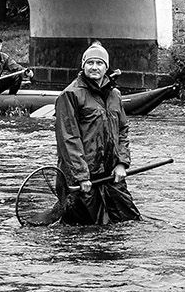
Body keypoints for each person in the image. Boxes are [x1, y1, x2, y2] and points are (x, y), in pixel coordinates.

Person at [53, 42, 139, 226]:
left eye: (99, 63)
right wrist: (81, 176)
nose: (94, 67)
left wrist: (122, 163)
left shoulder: (115, 94)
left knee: (129, 223)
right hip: (82, 179)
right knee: (85, 233)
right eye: (90, 62)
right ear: (83, 65)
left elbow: (123, 130)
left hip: (110, 173)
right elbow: (69, 140)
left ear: (106, 67)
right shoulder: (69, 95)